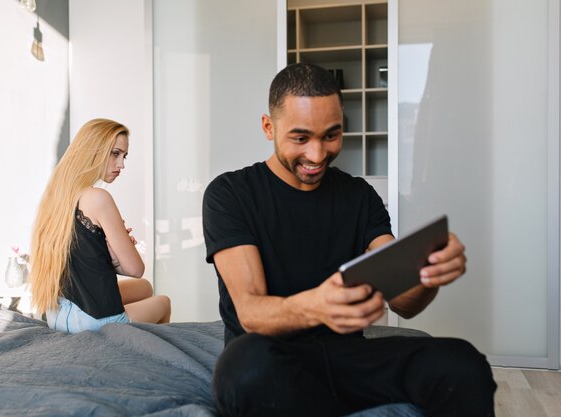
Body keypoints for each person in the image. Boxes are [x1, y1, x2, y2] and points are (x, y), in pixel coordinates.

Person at [203, 63, 496, 417]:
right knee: (244, 368)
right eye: (300, 138)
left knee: (462, 362)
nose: (317, 154)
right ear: (269, 127)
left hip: (347, 359)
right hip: (272, 358)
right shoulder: (230, 193)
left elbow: (405, 303)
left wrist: (428, 273)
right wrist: (317, 305)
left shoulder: (359, 196)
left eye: (331, 135)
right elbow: (250, 312)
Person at [29, 118, 171, 333]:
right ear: (93, 151)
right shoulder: (98, 197)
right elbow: (136, 269)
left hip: (58, 314)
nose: (121, 164)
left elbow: (83, 258)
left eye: (124, 156)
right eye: (115, 153)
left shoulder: (55, 196)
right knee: (163, 302)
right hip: (91, 321)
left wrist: (112, 255)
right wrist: (124, 247)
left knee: (145, 288)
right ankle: (151, 359)